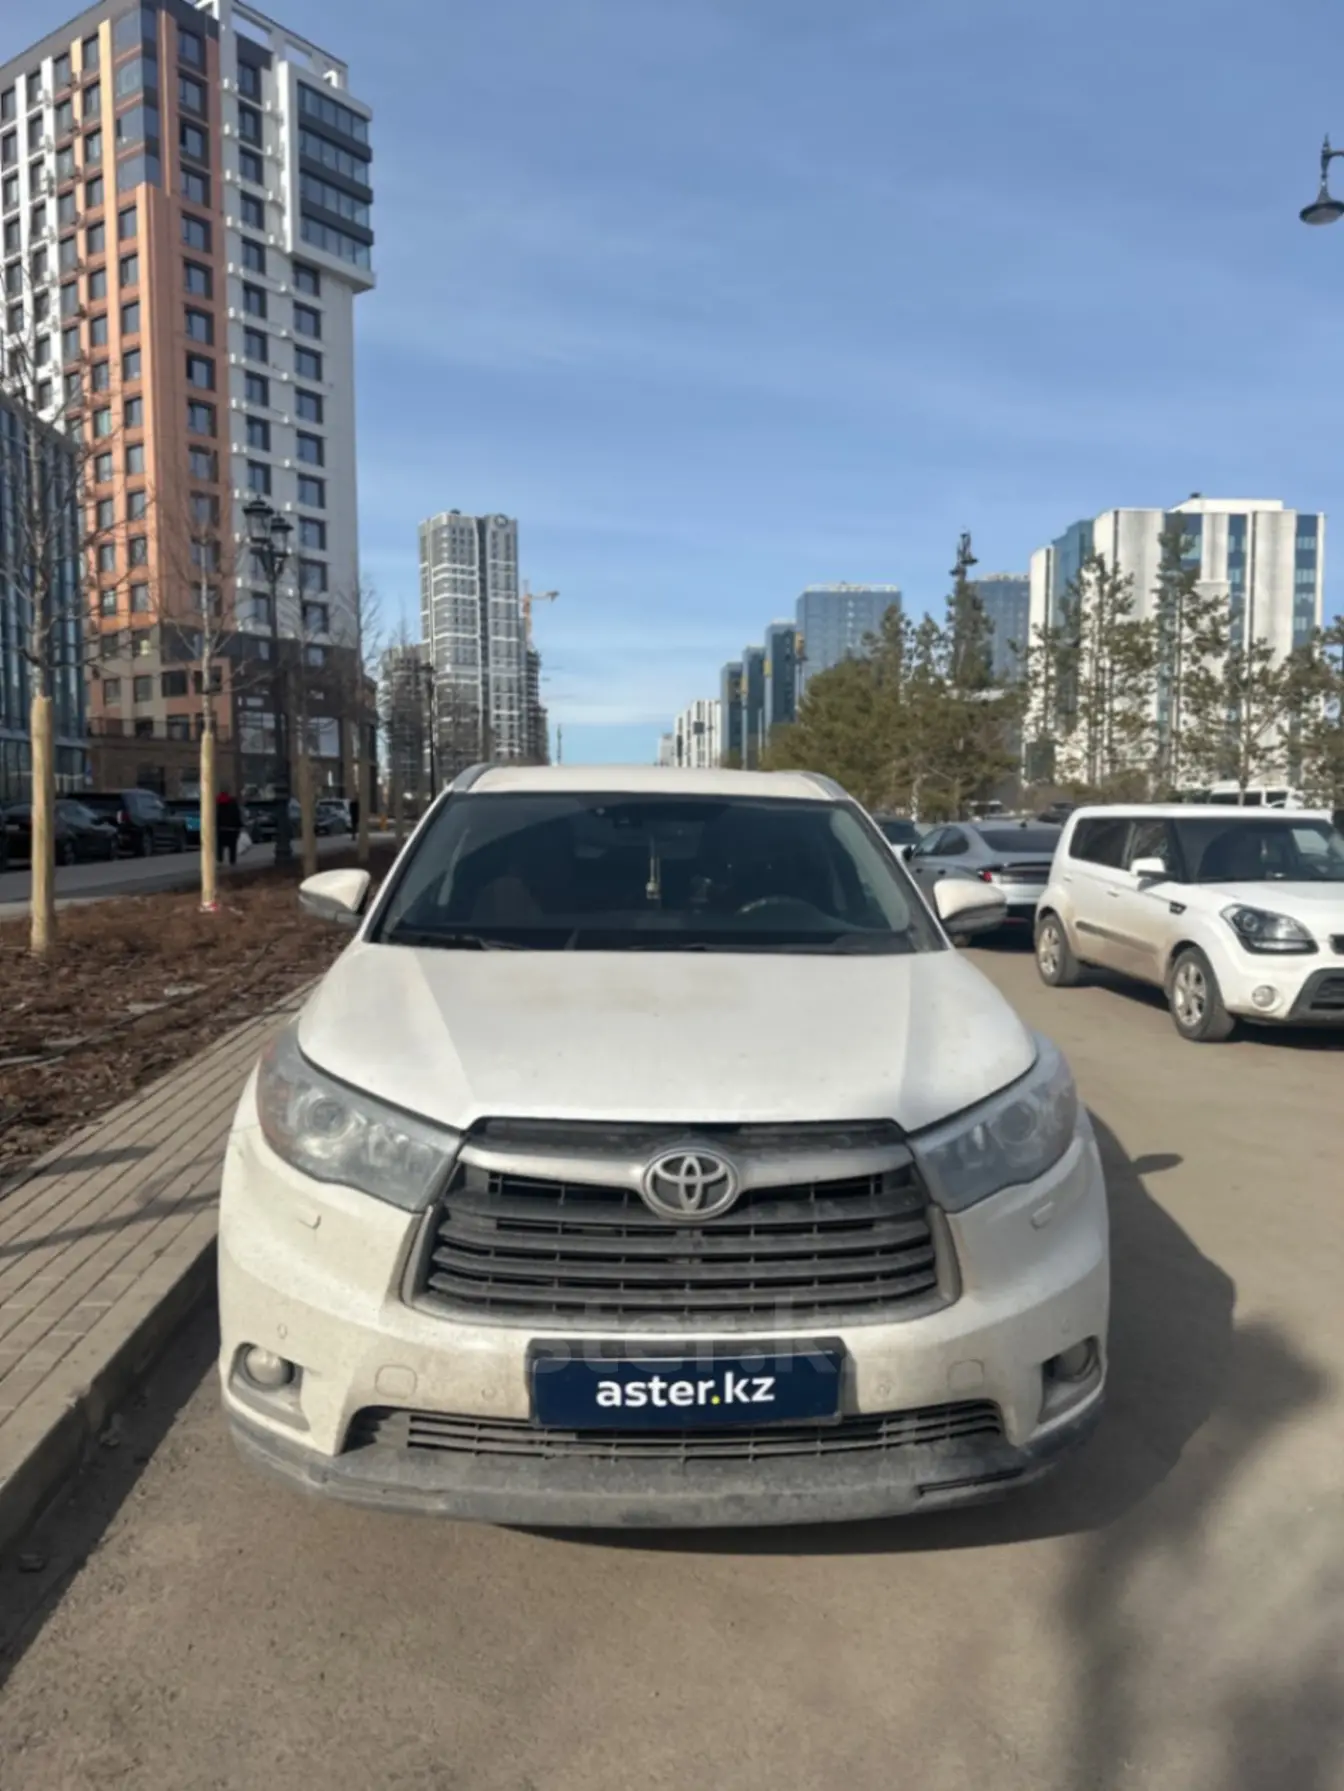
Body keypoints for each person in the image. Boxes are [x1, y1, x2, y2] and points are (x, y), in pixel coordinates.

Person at [217, 788, 243, 865]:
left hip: (221, 829)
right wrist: (239, 826)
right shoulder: (233, 802)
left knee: (220, 846)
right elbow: (237, 815)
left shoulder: (217, 803)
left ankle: (220, 860)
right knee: (232, 846)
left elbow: (215, 816)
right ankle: (232, 861)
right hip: (232, 829)